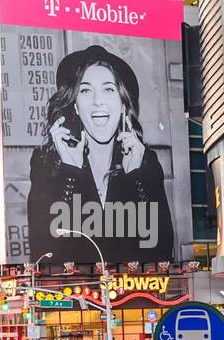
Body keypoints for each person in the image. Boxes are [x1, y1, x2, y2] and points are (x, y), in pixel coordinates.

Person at [26, 44, 176, 264]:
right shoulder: (47, 164)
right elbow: (44, 253)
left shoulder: (146, 164)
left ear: (123, 104)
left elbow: (162, 253)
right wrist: (70, 172)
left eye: (108, 89)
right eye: (85, 90)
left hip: (132, 295)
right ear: (75, 106)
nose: (98, 101)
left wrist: (137, 177)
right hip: (75, 296)